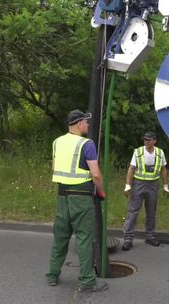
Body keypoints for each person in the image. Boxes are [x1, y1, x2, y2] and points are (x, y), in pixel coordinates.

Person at [46, 109, 108, 292]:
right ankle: (88, 281)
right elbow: (96, 174)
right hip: (81, 197)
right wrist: (102, 192)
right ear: (80, 123)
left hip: (62, 196)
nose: (88, 125)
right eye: (86, 122)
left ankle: (52, 275)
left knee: (60, 237)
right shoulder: (87, 144)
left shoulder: (57, 142)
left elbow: (54, 167)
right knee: (84, 238)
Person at [122, 131, 169, 251]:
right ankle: (128, 239)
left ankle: (150, 236)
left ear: (154, 141)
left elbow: (163, 169)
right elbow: (131, 169)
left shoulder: (159, 152)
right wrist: (128, 185)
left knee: (151, 211)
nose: (146, 142)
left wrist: (165, 186)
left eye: (149, 140)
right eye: (145, 140)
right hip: (138, 184)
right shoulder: (138, 152)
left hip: (153, 185)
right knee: (133, 211)